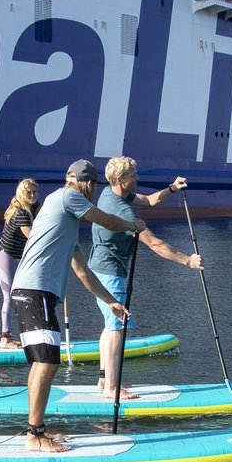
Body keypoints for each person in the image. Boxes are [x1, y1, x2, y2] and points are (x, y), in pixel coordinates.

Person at [10, 160, 145, 452]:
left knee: (42, 362)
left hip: (32, 292)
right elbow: (107, 220)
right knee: (48, 362)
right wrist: (132, 225)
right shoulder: (67, 196)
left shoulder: (64, 223)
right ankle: (35, 436)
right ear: (89, 185)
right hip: (34, 290)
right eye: (94, 187)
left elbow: (84, 273)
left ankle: (37, 428)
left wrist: (111, 302)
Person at [88, 156, 202, 398]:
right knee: (117, 326)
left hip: (99, 268)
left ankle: (103, 379)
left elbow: (149, 201)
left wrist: (172, 188)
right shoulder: (122, 211)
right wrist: (188, 261)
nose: (138, 178)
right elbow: (154, 244)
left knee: (110, 324)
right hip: (109, 273)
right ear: (121, 179)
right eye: (133, 175)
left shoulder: (110, 193)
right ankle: (111, 388)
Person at [0, 178, 39, 348]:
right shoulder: (21, 213)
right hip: (4, 256)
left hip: (14, 257)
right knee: (9, 297)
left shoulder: (33, 207)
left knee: (21, 295)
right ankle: (5, 339)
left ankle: (31, 332)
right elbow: (33, 238)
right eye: (28, 192)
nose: (32, 195)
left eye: (34, 192)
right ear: (21, 193)